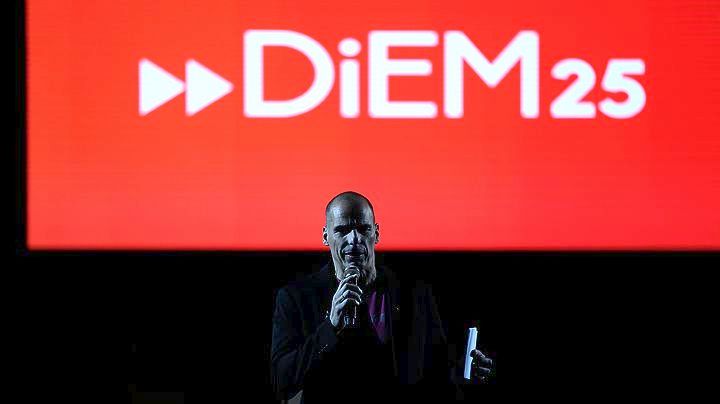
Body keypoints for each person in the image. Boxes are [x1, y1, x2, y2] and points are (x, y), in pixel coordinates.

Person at [270, 191, 493, 403]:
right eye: (342, 230)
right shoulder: (296, 297)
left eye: (363, 228)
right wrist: (330, 326)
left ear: (376, 233)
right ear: (325, 236)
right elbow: (282, 381)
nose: (354, 239)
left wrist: (463, 372)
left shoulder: (414, 292)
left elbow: (437, 370)